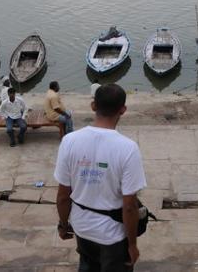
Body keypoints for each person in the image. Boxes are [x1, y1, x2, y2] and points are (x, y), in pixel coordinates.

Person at [54, 84, 146, 271]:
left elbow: (63, 196)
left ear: (93, 106)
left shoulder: (69, 141)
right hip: (112, 235)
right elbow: (129, 207)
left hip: (82, 228)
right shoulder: (128, 149)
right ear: (123, 110)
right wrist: (132, 245)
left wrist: (64, 225)